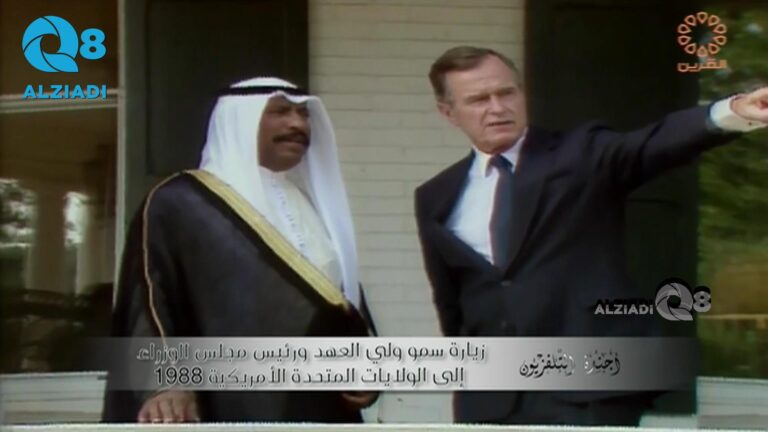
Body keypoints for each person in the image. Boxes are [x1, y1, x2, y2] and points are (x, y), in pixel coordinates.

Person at [414, 46, 768, 425]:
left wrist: (734, 111)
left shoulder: (582, 153)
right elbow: (451, 303)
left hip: (589, 390)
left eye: (506, 93)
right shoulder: (436, 196)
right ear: (448, 112)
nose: (498, 108)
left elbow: (653, 143)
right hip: (492, 397)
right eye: (479, 99)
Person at [103, 77, 377, 423]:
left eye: (304, 114)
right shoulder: (181, 202)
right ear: (239, 121)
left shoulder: (307, 205)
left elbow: (339, 299)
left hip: (321, 406)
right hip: (224, 404)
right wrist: (164, 383)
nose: (298, 124)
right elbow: (149, 297)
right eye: (280, 111)